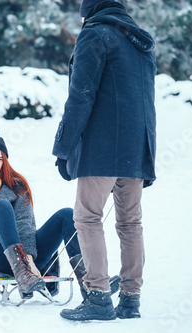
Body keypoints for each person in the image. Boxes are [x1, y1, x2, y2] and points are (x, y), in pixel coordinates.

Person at [53, 0, 156, 321]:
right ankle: (130, 299)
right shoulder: (140, 41)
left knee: (86, 218)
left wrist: (64, 148)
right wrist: (148, 154)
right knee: (130, 223)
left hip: (101, 149)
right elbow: (148, 101)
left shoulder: (95, 34)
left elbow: (81, 95)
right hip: (137, 148)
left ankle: (97, 296)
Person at [0, 127, 117, 303]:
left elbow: (25, 225)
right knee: (1, 207)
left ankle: (92, 287)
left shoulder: (15, 188)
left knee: (66, 216)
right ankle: (22, 272)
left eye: (0, 159)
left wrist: (28, 258)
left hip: (24, 258)